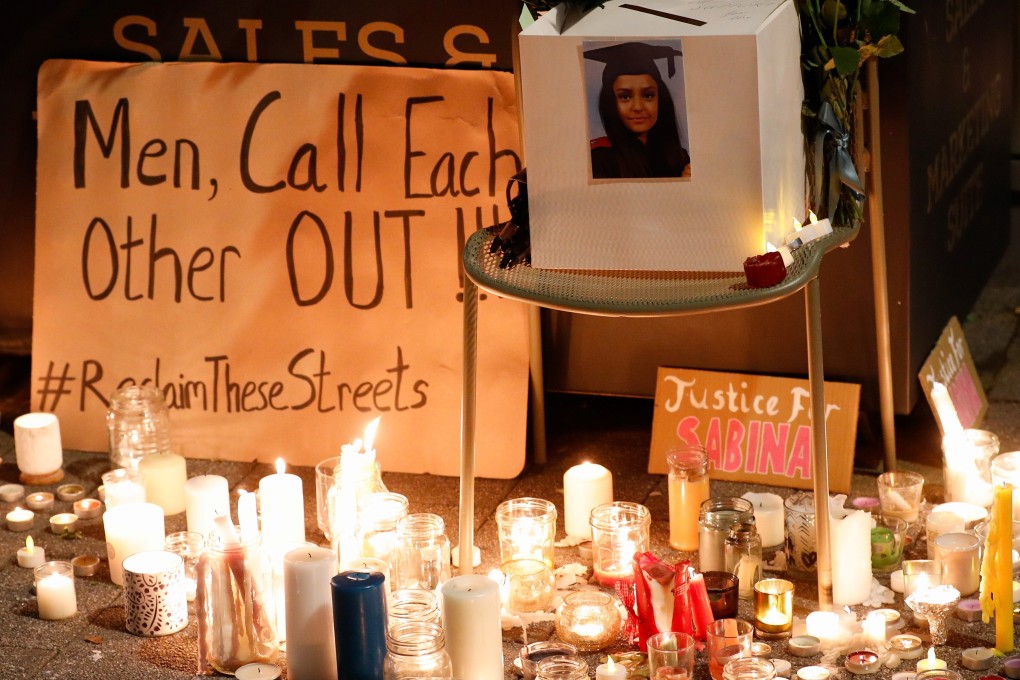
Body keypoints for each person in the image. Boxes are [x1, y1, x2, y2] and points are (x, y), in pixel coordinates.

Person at [584, 41, 691, 180]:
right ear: (610, 102)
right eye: (625, 97)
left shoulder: (678, 156)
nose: (638, 107)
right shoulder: (598, 158)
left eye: (648, 95)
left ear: (661, 99)